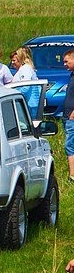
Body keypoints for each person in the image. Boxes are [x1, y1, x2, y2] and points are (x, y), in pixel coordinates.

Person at [63, 49, 74, 182]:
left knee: (70, 145)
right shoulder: (71, 75)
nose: (64, 64)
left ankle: (72, 175)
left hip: (72, 118)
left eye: (67, 61)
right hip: (67, 117)